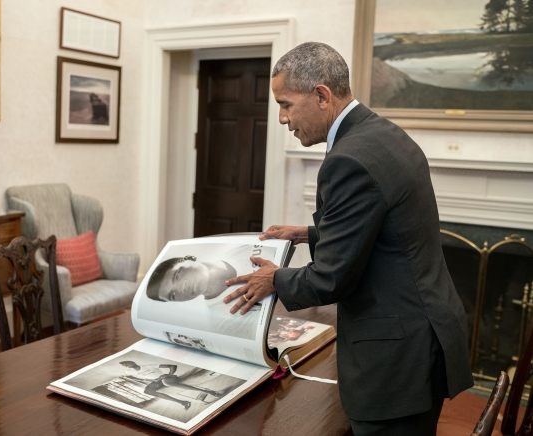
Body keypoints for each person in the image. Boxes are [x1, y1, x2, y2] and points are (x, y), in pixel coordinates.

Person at [223, 42, 473, 436]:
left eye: (286, 104)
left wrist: (274, 279)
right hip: (424, 331)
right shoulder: (382, 133)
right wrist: (305, 233)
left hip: (396, 355)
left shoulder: (347, 159)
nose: (283, 118)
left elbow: (331, 279)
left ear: (321, 95)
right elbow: (386, 228)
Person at [119, 361, 223, 410]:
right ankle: (182, 402)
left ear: (132, 362)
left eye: (126, 363)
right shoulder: (130, 372)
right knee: (147, 391)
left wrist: (168, 374)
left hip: (167, 378)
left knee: (166, 382)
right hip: (156, 381)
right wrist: (147, 379)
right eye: (124, 365)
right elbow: (132, 377)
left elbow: (172, 366)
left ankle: (209, 391)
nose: (126, 365)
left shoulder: (147, 364)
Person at [145, 255, 237, 302]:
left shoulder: (240, 248)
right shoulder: (220, 323)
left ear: (190, 258)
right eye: (173, 295)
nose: (182, 289)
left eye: (177, 276)